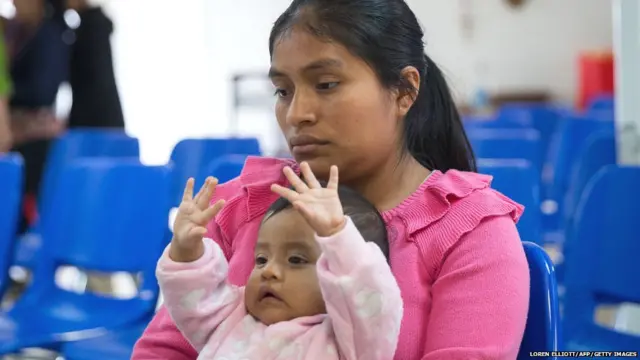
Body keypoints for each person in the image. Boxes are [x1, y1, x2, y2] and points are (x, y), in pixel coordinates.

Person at [133, 0, 530, 359]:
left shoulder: (468, 233)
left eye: (326, 85)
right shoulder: (242, 204)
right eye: (283, 91)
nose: (296, 114)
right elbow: (164, 350)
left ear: (405, 90)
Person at [159, 165, 402, 358]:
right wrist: (186, 250)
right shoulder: (233, 319)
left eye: (296, 259)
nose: (270, 271)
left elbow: (369, 297)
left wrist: (338, 234)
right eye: (261, 259)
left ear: (338, 276)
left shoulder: (353, 340)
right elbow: (197, 301)